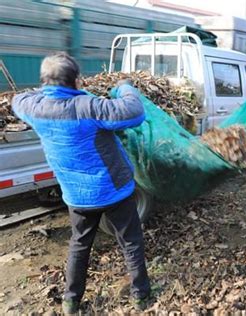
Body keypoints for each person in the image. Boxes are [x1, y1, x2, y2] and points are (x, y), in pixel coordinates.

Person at [12, 52, 152, 314]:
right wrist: (124, 86)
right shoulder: (89, 106)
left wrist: (49, 88)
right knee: (130, 241)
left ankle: (71, 300)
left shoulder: (34, 108)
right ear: (76, 81)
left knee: (79, 245)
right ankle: (141, 296)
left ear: (45, 82)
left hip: (76, 195)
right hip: (113, 190)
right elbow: (133, 112)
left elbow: (18, 98)